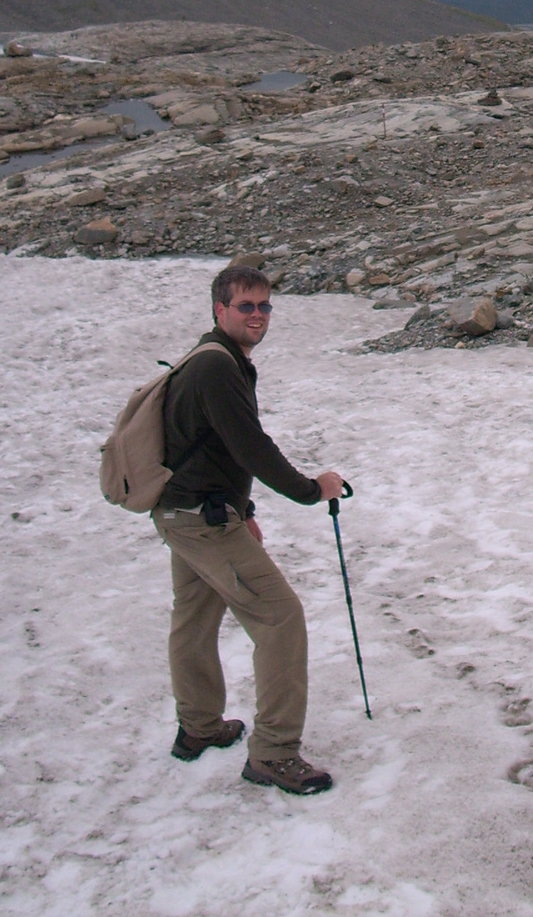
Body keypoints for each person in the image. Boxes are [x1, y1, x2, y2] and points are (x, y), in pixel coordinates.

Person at [153, 263, 344, 793]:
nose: (257, 316)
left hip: (184, 513)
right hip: (203, 519)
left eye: (264, 306)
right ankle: (274, 754)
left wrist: (247, 510)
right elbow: (250, 446)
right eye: (246, 306)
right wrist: (312, 489)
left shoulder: (214, 358)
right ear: (220, 310)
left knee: (193, 619)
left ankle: (198, 730)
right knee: (281, 619)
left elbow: (214, 446)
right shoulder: (218, 367)